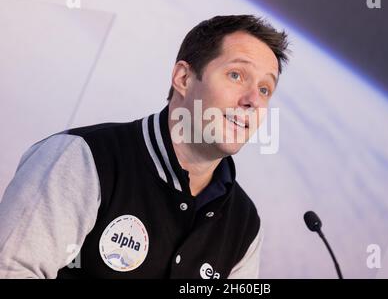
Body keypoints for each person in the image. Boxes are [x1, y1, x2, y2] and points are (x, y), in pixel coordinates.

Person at [0, 14, 290, 278]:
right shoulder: (81, 158)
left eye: (265, 89)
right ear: (184, 78)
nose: (253, 99)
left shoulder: (245, 224)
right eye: (236, 75)